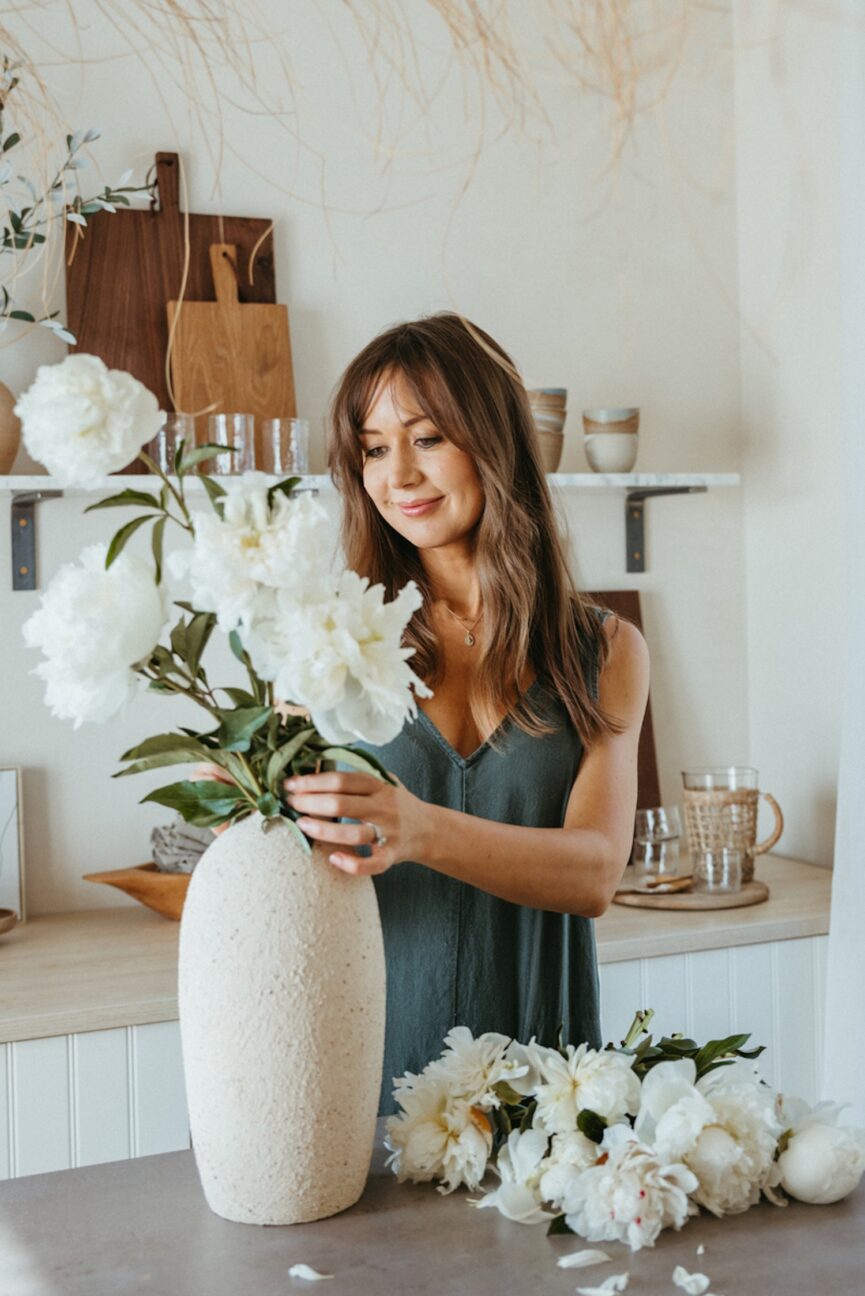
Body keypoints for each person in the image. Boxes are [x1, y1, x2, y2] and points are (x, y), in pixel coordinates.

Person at [282, 313, 650, 1116]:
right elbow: (281, 880)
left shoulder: (604, 650)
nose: (398, 475)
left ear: (495, 440)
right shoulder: (324, 647)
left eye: (427, 437)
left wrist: (419, 831)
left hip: (545, 1076)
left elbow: (593, 873)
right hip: (365, 1075)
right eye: (374, 449)